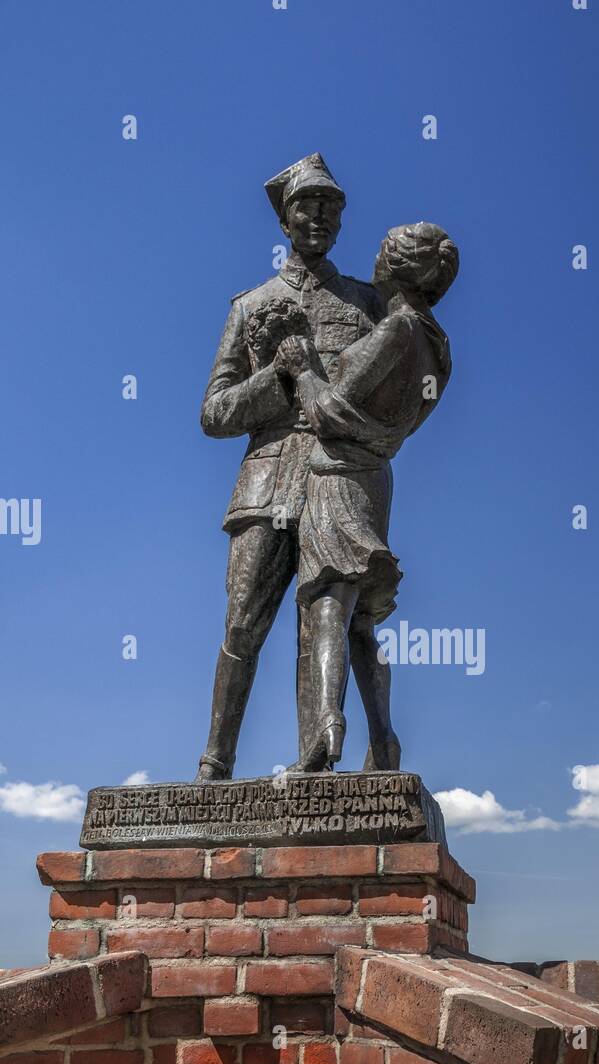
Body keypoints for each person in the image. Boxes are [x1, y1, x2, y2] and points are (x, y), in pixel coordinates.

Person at [195, 153, 381, 781]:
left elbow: (404, 388)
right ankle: (215, 762)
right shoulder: (251, 307)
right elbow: (215, 413)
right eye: (308, 203)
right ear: (284, 218)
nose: (321, 215)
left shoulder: (367, 303)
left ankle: (316, 767)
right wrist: (275, 375)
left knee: (325, 614)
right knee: (243, 623)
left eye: (332, 204)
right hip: (266, 478)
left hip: (340, 476)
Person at [275, 222, 459, 772]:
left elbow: (329, 409)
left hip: (336, 473)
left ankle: (327, 720)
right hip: (376, 477)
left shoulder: (398, 329)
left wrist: (302, 368)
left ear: (395, 268)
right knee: (360, 619)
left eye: (381, 254)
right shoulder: (438, 347)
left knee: (327, 597)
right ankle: (383, 741)